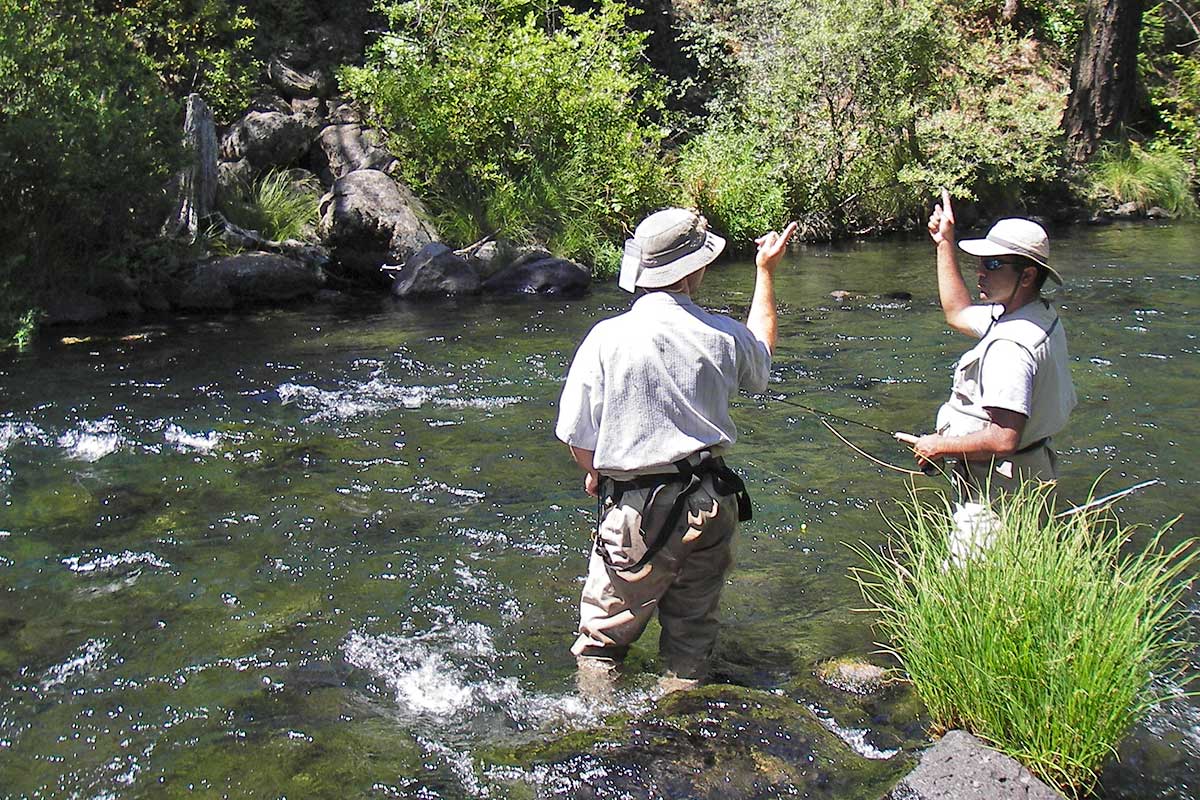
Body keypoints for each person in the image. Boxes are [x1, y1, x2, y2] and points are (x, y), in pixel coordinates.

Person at [555, 207, 796, 682]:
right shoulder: (724, 335)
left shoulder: (606, 338)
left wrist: (594, 473)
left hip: (638, 509)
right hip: (712, 502)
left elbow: (577, 437)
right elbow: (762, 353)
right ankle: (685, 727)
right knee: (691, 637)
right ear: (695, 269)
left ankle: (600, 739)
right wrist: (765, 273)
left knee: (602, 644)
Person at [913, 191, 1077, 555]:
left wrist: (940, 446)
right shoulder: (1033, 314)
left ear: (1027, 275)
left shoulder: (1011, 346)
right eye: (981, 262)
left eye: (993, 264)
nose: (980, 272)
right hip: (1029, 475)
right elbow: (956, 311)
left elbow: (1004, 438)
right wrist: (945, 243)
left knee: (961, 596)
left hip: (999, 492)